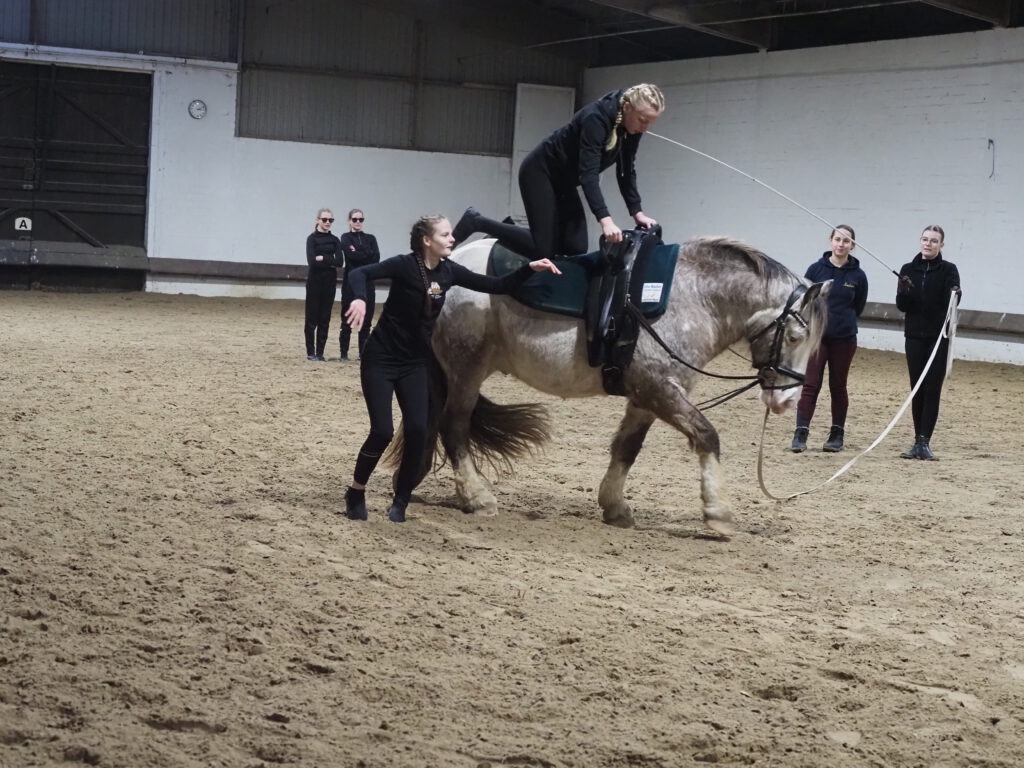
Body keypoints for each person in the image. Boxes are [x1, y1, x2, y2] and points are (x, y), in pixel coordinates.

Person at [342, 214, 561, 523]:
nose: (452, 238)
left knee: (418, 430)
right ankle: (356, 491)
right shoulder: (404, 265)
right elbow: (360, 273)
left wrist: (529, 268)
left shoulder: (449, 271)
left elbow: (496, 284)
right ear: (426, 241)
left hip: (414, 363)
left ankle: (400, 501)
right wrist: (360, 300)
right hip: (382, 359)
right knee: (382, 432)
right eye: (445, 234)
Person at [450, 83, 665, 261]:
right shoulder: (596, 119)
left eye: (650, 123)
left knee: (575, 246)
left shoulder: (630, 127)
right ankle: (477, 221)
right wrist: (605, 220)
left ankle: (516, 235)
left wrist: (637, 212)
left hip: (563, 181)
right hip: (540, 172)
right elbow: (588, 175)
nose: (645, 128)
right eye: (643, 120)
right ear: (627, 107)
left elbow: (626, 170)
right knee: (542, 250)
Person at [790, 225, 869, 453]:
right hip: (817, 338)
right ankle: (801, 432)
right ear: (830, 241)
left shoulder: (858, 276)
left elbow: (858, 306)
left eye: (846, 241)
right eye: (838, 239)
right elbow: (805, 300)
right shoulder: (815, 269)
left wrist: (842, 321)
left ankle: (837, 434)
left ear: (852, 245)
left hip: (844, 339)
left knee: (838, 386)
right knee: (810, 384)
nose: (841, 244)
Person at [896, 225, 961, 460]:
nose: (928, 244)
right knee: (917, 388)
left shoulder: (949, 270)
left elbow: (953, 301)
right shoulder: (907, 269)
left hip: (938, 338)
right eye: (925, 239)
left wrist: (955, 292)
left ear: (941, 245)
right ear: (920, 241)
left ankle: (925, 441)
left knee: (932, 388)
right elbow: (902, 306)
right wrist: (905, 291)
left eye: (934, 241)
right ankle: (917, 440)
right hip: (914, 337)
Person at [338, 208, 380, 361]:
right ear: (349, 221)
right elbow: (352, 256)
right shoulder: (345, 237)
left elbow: (376, 258)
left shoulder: (371, 238)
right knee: (347, 319)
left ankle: (363, 354)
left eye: (360, 219)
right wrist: (366, 254)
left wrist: (359, 253)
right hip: (350, 284)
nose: (357, 222)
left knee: (366, 321)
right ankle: (344, 354)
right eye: (355, 219)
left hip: (368, 283)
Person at [303, 208, 342, 361]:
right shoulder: (311, 239)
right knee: (312, 317)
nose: (327, 223)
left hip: (330, 281)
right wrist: (329, 260)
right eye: (324, 220)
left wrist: (323, 258)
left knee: (325, 317)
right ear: (318, 220)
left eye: (330, 220)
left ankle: (320, 352)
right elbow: (312, 261)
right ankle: (310, 352)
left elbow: (339, 262)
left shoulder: (335, 240)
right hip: (314, 281)